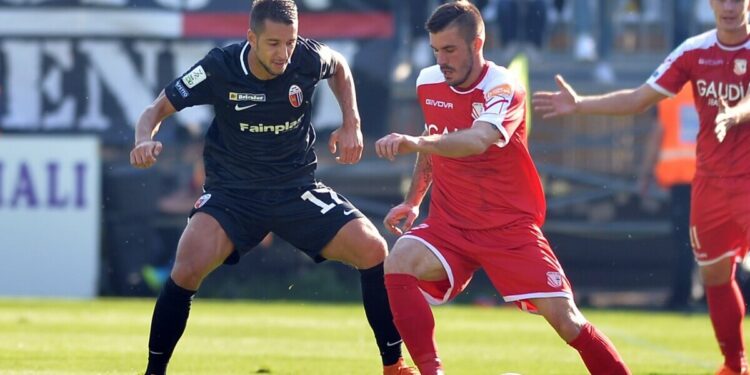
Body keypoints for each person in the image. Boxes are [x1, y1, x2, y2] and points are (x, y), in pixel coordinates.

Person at [129, 1, 416, 374]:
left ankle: (393, 365)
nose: (283, 54)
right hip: (233, 194)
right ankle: (154, 372)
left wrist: (352, 123)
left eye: (290, 43)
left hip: (295, 188)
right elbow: (154, 111)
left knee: (373, 249)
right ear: (251, 38)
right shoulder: (220, 66)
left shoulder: (307, 58)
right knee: (185, 267)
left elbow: (340, 67)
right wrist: (141, 141)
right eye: (273, 44)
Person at [374, 2, 630, 374]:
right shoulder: (428, 81)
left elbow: (478, 139)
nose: (441, 60)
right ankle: (429, 370)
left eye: (450, 50)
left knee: (568, 322)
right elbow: (436, 141)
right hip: (451, 224)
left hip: (509, 227)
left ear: (478, 44)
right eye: (435, 50)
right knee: (398, 260)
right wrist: (414, 201)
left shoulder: (505, 85)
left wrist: (417, 143)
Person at [533, 1, 750, 373]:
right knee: (715, 274)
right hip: (710, 185)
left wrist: (737, 112)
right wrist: (581, 104)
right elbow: (638, 98)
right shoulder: (694, 50)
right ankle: (735, 364)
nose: (729, 7)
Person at [636, 85, 697, 310]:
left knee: (684, 242)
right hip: (709, 178)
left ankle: (682, 295)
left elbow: (657, 134)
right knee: (710, 242)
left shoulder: (669, 95)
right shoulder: (713, 90)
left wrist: (644, 174)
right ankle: (704, 295)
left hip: (682, 180)